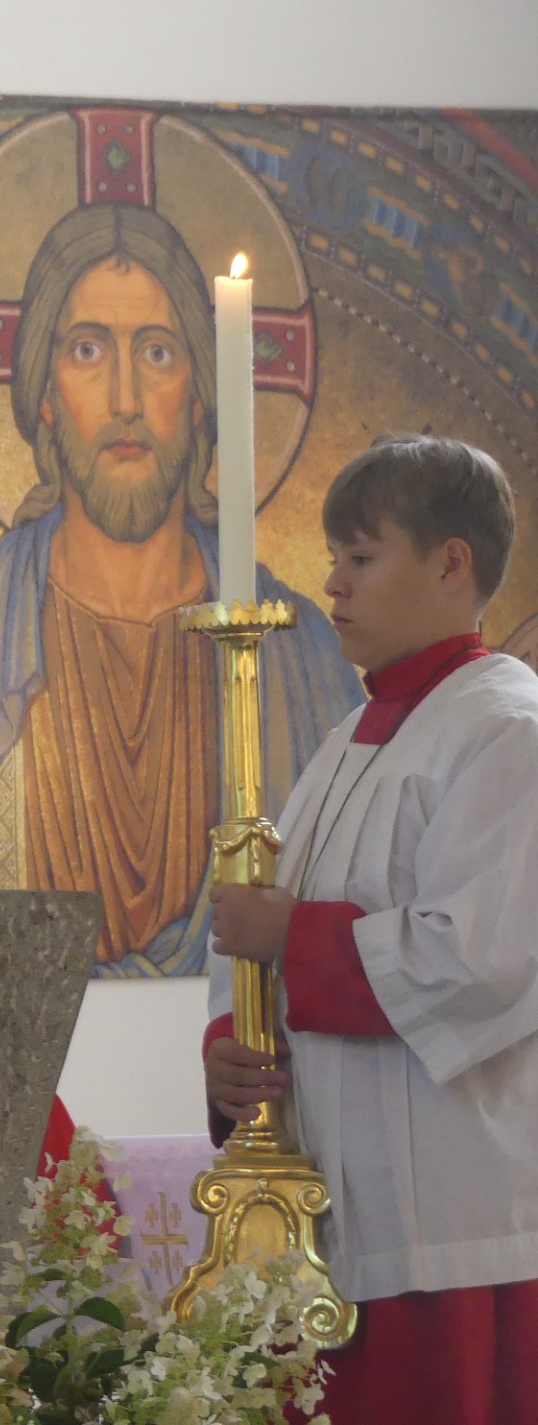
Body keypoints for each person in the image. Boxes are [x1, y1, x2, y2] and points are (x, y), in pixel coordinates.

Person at [0, 203, 362, 975]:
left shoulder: (293, 654)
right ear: (43, 391)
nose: (126, 398)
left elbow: (367, 891)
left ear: (201, 392)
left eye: (158, 352)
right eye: (89, 350)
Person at [203, 435, 537, 1423]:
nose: (333, 584)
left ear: (450, 562)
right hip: (324, 1216)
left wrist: (291, 937)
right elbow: (257, 940)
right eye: (334, 557)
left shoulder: (507, 729)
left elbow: (480, 961)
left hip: (448, 1226)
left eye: (361, 555)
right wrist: (231, 1045)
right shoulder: (348, 740)